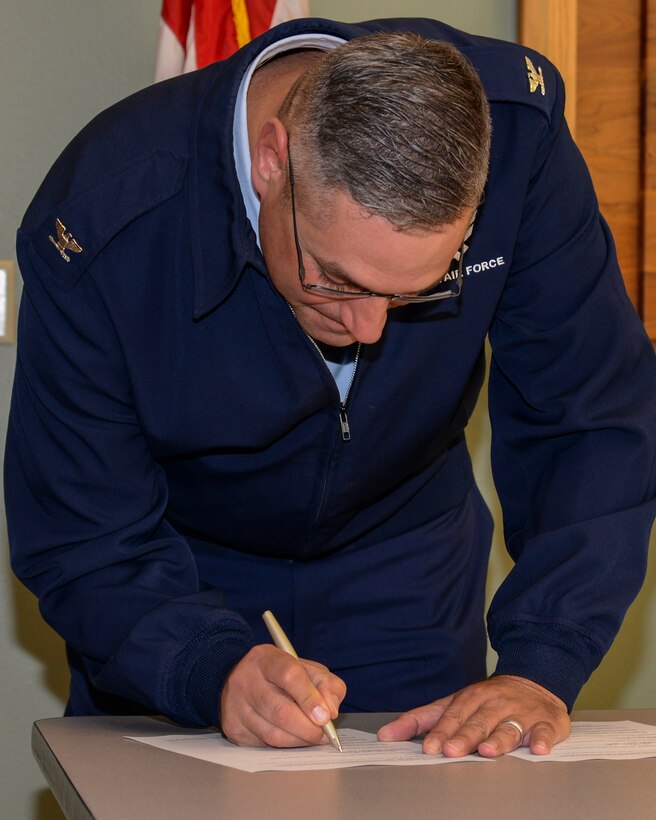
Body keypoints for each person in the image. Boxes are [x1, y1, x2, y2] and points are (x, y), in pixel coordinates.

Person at [5, 17, 656, 759]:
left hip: (406, 566)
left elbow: (591, 414)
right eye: (338, 281)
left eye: (416, 291)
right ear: (271, 161)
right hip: (175, 577)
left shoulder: (516, 139)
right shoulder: (108, 215)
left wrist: (545, 659)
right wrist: (203, 664)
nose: (370, 329)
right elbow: (83, 531)